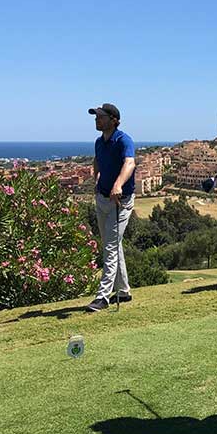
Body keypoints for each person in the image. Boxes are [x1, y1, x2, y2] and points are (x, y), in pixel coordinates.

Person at [86, 103, 136, 312]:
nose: (97, 119)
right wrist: (96, 178)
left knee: (110, 247)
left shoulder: (124, 140)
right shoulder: (99, 142)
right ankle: (123, 291)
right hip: (102, 199)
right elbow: (97, 161)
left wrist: (118, 184)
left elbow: (130, 163)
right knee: (113, 244)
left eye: (101, 116)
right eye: (96, 116)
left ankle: (103, 296)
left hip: (120, 202)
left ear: (114, 120)